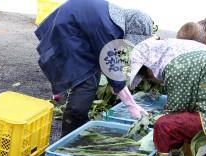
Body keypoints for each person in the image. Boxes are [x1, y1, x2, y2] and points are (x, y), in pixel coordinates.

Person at [35, 0, 154, 136]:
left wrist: (118, 85)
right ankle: (70, 135)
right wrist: (131, 104)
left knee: (90, 69)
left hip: (68, 24)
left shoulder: (114, 17)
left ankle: (75, 118)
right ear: (131, 27)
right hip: (66, 28)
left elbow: (107, 57)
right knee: (87, 80)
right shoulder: (108, 27)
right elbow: (109, 63)